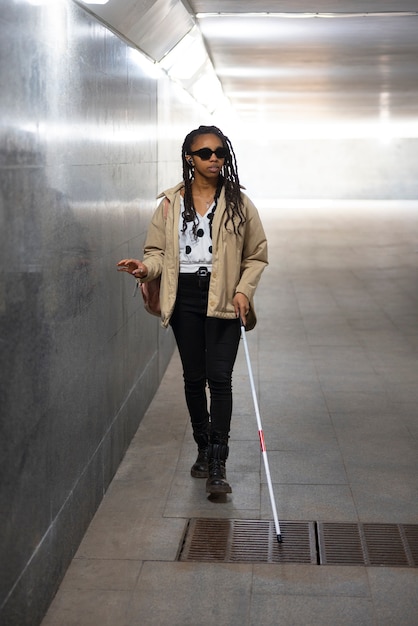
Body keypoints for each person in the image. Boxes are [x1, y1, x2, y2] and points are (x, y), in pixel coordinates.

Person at [117, 125, 267, 496]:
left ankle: (218, 461)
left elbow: (256, 255)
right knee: (192, 377)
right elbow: (156, 252)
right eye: (205, 153)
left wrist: (244, 290)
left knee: (220, 379)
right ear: (190, 158)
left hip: (223, 296)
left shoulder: (239, 204)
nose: (214, 158)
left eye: (219, 152)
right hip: (184, 295)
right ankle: (202, 446)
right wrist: (145, 269)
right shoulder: (169, 204)